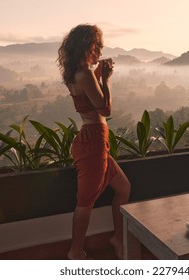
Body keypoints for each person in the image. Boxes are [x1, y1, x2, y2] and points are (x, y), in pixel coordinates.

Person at [57, 24, 131, 260]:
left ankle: (117, 237)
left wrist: (99, 72)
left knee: (123, 188)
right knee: (85, 202)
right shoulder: (85, 74)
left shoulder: (79, 72)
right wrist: (107, 79)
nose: (100, 49)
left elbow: (90, 96)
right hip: (93, 143)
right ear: (84, 46)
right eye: (96, 45)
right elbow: (105, 109)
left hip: (95, 141)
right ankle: (75, 251)